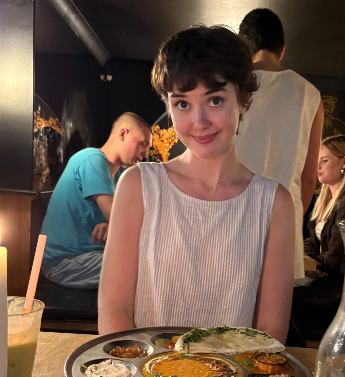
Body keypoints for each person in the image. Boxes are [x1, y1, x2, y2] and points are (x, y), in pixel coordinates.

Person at [98, 25, 295, 343]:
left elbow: (270, 331)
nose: (199, 122)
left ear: (243, 100)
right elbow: (114, 310)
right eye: (183, 104)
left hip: (235, 374)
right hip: (146, 372)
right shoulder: (138, 185)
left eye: (215, 100)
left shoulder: (274, 203)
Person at [235, 8, 324, 280]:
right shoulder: (310, 94)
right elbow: (309, 178)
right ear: (282, 50)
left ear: (243, 48)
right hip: (283, 220)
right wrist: (290, 215)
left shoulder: (229, 86)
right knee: (273, 304)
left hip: (230, 216)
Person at [41, 112, 152, 289]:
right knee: (150, 267)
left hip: (92, 257)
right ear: (124, 134)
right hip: (65, 262)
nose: (145, 154)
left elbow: (126, 218)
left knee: (155, 261)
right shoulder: (92, 159)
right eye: (143, 144)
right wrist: (116, 222)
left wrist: (112, 224)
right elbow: (121, 218)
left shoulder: (120, 175)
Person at [290, 134, 345, 342]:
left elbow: (335, 262)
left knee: (283, 299)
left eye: (325, 160)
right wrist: (308, 260)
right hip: (323, 279)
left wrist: (309, 262)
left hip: (337, 292)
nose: (317, 166)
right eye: (317, 160)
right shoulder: (326, 199)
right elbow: (310, 241)